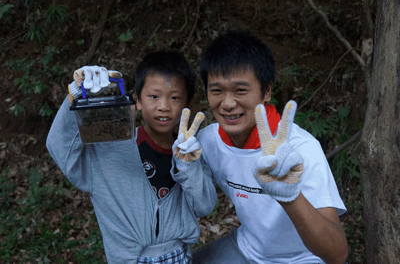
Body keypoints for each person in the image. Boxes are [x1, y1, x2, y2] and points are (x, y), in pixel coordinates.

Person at [192, 30, 349, 264]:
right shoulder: (208, 140)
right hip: (248, 249)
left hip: (304, 259)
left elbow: (337, 254)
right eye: (216, 90)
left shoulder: (300, 148)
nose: (227, 103)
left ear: (266, 92)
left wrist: (291, 198)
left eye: (240, 90)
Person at [46, 51, 217, 263]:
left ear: (186, 104)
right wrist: (75, 96)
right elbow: (59, 146)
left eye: (174, 97)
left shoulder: (192, 152)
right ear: (137, 100)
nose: (164, 106)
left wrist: (188, 166)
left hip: (179, 256)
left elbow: (204, 207)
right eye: (154, 96)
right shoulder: (109, 150)